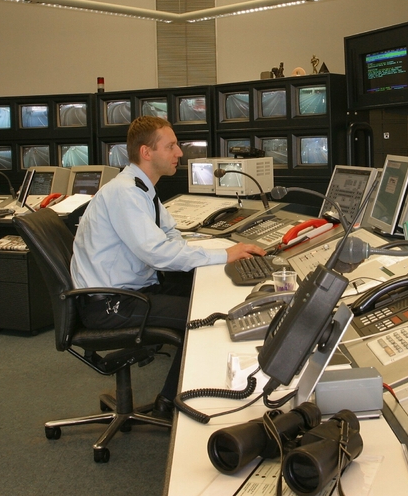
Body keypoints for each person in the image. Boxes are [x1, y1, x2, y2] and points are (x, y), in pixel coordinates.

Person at [70, 115, 265, 418]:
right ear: (147, 153)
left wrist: (212, 253)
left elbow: (170, 233)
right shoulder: (125, 193)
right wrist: (225, 254)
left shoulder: (140, 187)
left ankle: (179, 395)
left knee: (207, 292)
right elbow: (158, 254)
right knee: (201, 317)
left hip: (129, 288)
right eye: (171, 146)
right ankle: (170, 404)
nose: (180, 153)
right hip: (110, 303)